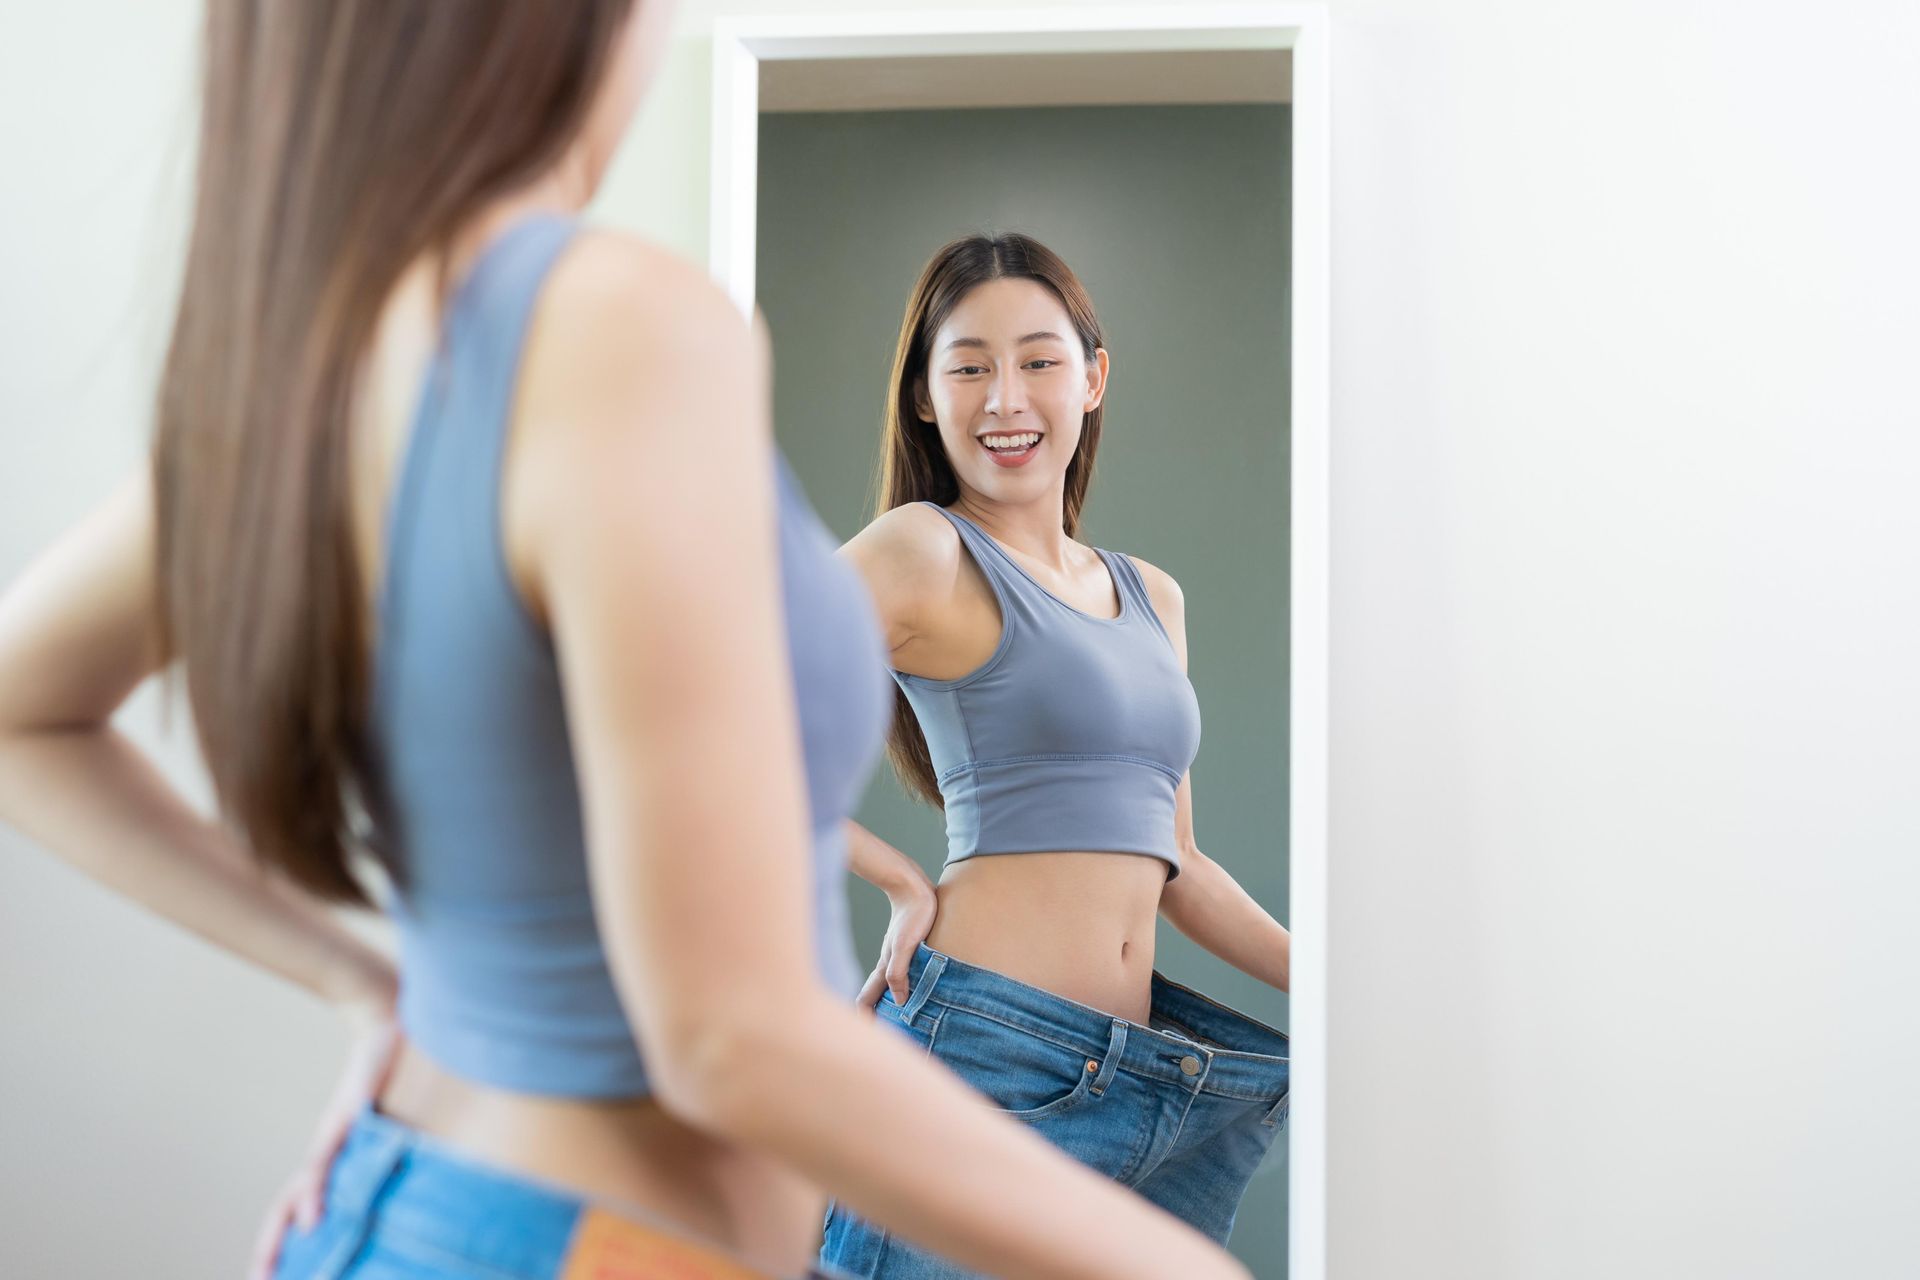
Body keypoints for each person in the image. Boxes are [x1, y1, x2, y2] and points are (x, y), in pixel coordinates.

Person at [0, 8, 1253, 1280]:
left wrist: (359, 979)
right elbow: (723, 1032)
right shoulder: (620, 322)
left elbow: (19, 712)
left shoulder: (341, 349)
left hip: (433, 1203)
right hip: (570, 1240)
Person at [820, 233, 1292, 1276]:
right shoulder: (924, 548)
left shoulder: (1152, 594)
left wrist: (1335, 986)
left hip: (1145, 1084)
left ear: (1093, 378)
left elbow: (1181, 865)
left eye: (1038, 360)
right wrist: (898, 879)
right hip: (985, 1056)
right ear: (924, 396)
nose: (1006, 399)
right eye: (969, 367)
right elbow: (711, 698)